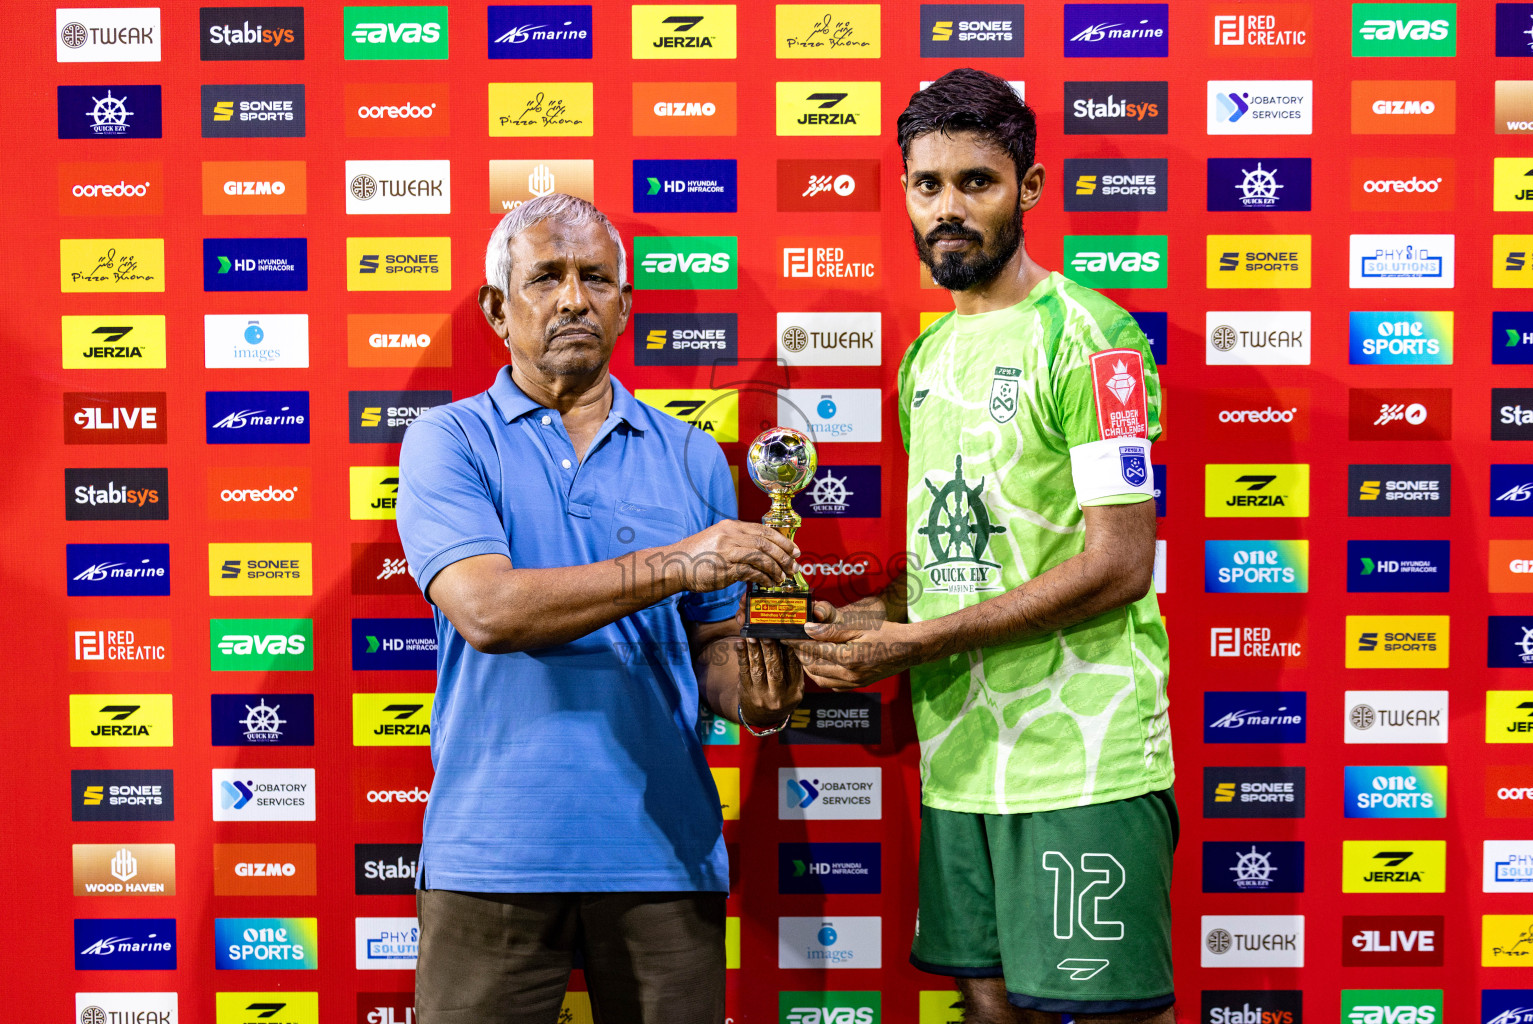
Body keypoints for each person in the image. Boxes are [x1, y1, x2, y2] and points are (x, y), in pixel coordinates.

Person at [789, 69, 1175, 1023]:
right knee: (989, 1006)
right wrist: (869, 620)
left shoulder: (1096, 338)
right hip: (961, 759)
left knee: (1112, 1014)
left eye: (977, 182)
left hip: (1082, 760)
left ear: (1030, 189)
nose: (948, 209)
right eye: (929, 185)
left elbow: (1121, 564)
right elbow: (956, 562)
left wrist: (914, 645)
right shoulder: (922, 359)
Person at [395, 193, 805, 1024]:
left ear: (625, 305)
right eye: (546, 277)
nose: (574, 298)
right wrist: (678, 562)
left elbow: (714, 646)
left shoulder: (691, 454)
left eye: (597, 278)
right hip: (490, 859)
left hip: (664, 857)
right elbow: (489, 611)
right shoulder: (448, 440)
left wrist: (756, 691)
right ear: (496, 310)